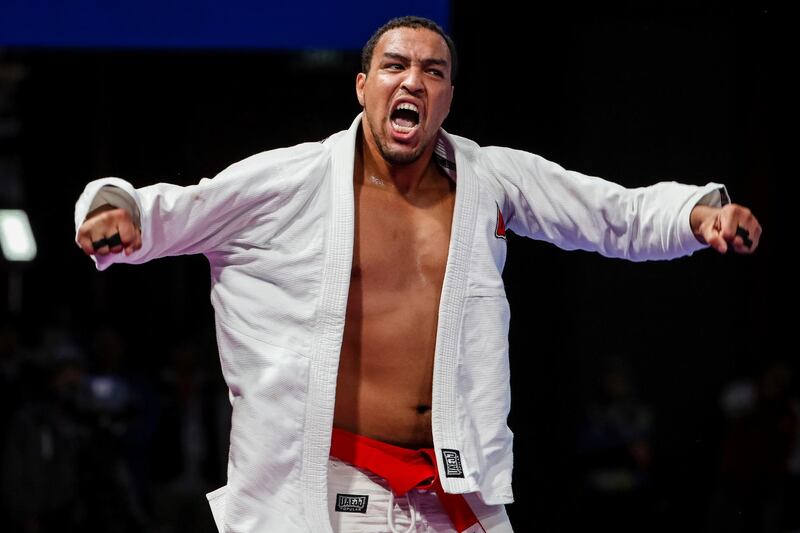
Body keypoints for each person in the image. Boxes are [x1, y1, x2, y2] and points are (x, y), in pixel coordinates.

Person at [73, 15, 761, 533]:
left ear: (449, 96)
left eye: (432, 71)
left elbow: (608, 212)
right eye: (396, 65)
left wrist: (696, 212)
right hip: (327, 484)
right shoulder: (289, 180)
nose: (414, 80)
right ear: (363, 84)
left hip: (451, 488)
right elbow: (168, 207)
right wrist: (116, 211)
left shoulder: (489, 179)